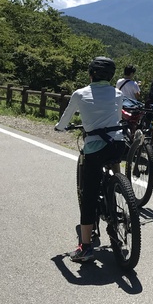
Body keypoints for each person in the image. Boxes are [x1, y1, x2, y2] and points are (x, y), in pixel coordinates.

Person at [55, 56, 125, 262]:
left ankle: (85, 247)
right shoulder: (118, 93)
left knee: (89, 194)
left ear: (91, 74)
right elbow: (116, 116)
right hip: (118, 144)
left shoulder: (80, 94)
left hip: (95, 149)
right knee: (112, 164)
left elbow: (65, 119)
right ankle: (117, 189)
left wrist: (60, 128)